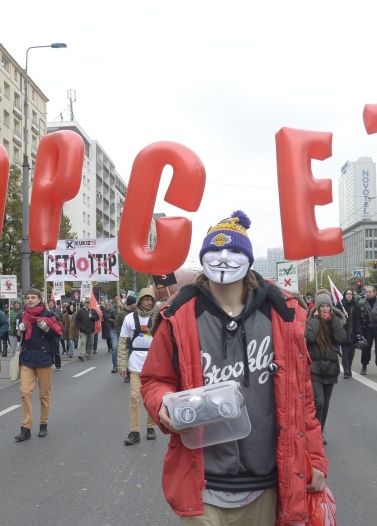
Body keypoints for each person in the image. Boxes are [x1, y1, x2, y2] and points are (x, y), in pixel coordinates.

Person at [141, 210, 327, 523]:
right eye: (215, 251)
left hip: (266, 486)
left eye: (235, 251)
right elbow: (154, 380)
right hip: (202, 486)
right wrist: (161, 403)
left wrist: (316, 457)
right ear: (203, 259)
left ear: (249, 259)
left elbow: (302, 399)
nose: (224, 258)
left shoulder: (282, 315)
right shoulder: (178, 316)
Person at [14, 288, 62, 441]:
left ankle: (43, 424)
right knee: (25, 392)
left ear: (40, 299)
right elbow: (17, 335)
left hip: (43, 357)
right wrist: (19, 331)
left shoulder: (48, 315)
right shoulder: (22, 315)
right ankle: (26, 427)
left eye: (33, 297)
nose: (30, 300)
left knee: (44, 394)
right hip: (27, 356)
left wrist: (46, 329)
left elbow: (57, 333)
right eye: (27, 297)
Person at [305, 291, 346, 444]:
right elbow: (308, 337)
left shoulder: (335, 320)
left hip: (331, 366)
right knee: (319, 402)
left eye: (327, 306)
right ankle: (314, 433)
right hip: (315, 367)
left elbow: (342, 338)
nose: (324, 309)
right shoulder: (312, 320)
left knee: (326, 403)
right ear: (317, 307)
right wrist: (315, 318)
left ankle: (320, 431)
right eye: (321, 306)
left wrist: (334, 319)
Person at [117, 288, 158, 445]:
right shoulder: (129, 319)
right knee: (135, 397)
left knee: (151, 398)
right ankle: (135, 431)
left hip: (153, 364)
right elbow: (123, 344)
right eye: (146, 299)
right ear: (140, 300)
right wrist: (121, 365)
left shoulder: (157, 318)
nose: (149, 302)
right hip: (135, 362)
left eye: (151, 300)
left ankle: (150, 427)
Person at [114, 296, 136, 379]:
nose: (136, 304)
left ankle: (132, 372)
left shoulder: (137, 313)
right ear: (131, 304)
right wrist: (123, 333)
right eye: (134, 302)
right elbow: (117, 326)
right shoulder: (122, 314)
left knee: (132, 356)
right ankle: (126, 372)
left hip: (134, 340)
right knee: (124, 355)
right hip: (126, 339)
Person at [340, 289, 359, 378]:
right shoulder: (340, 305)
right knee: (345, 353)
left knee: (351, 353)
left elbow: (358, 320)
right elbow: (336, 317)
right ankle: (346, 371)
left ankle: (349, 367)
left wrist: (358, 332)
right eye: (347, 294)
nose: (349, 295)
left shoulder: (356, 305)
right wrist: (342, 315)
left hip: (353, 333)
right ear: (344, 295)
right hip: (344, 332)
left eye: (351, 294)